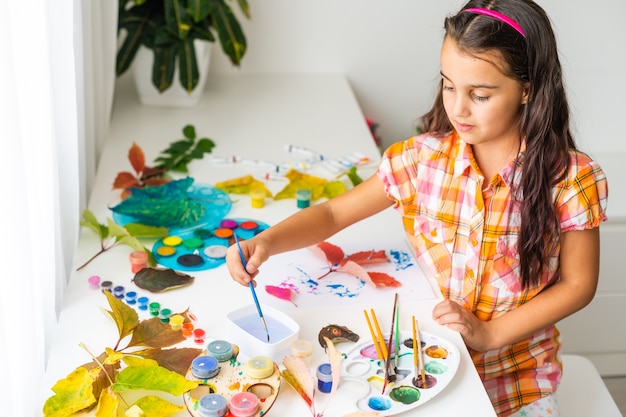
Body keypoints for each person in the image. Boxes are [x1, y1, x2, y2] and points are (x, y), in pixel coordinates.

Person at [225, 0, 609, 416]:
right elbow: (334, 214)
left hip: (519, 381)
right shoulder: (421, 161)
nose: (457, 108)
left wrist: (490, 333)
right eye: (448, 85)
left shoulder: (572, 178)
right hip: (422, 370)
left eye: (479, 94)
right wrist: (266, 241)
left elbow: (577, 284)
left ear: (528, 88)